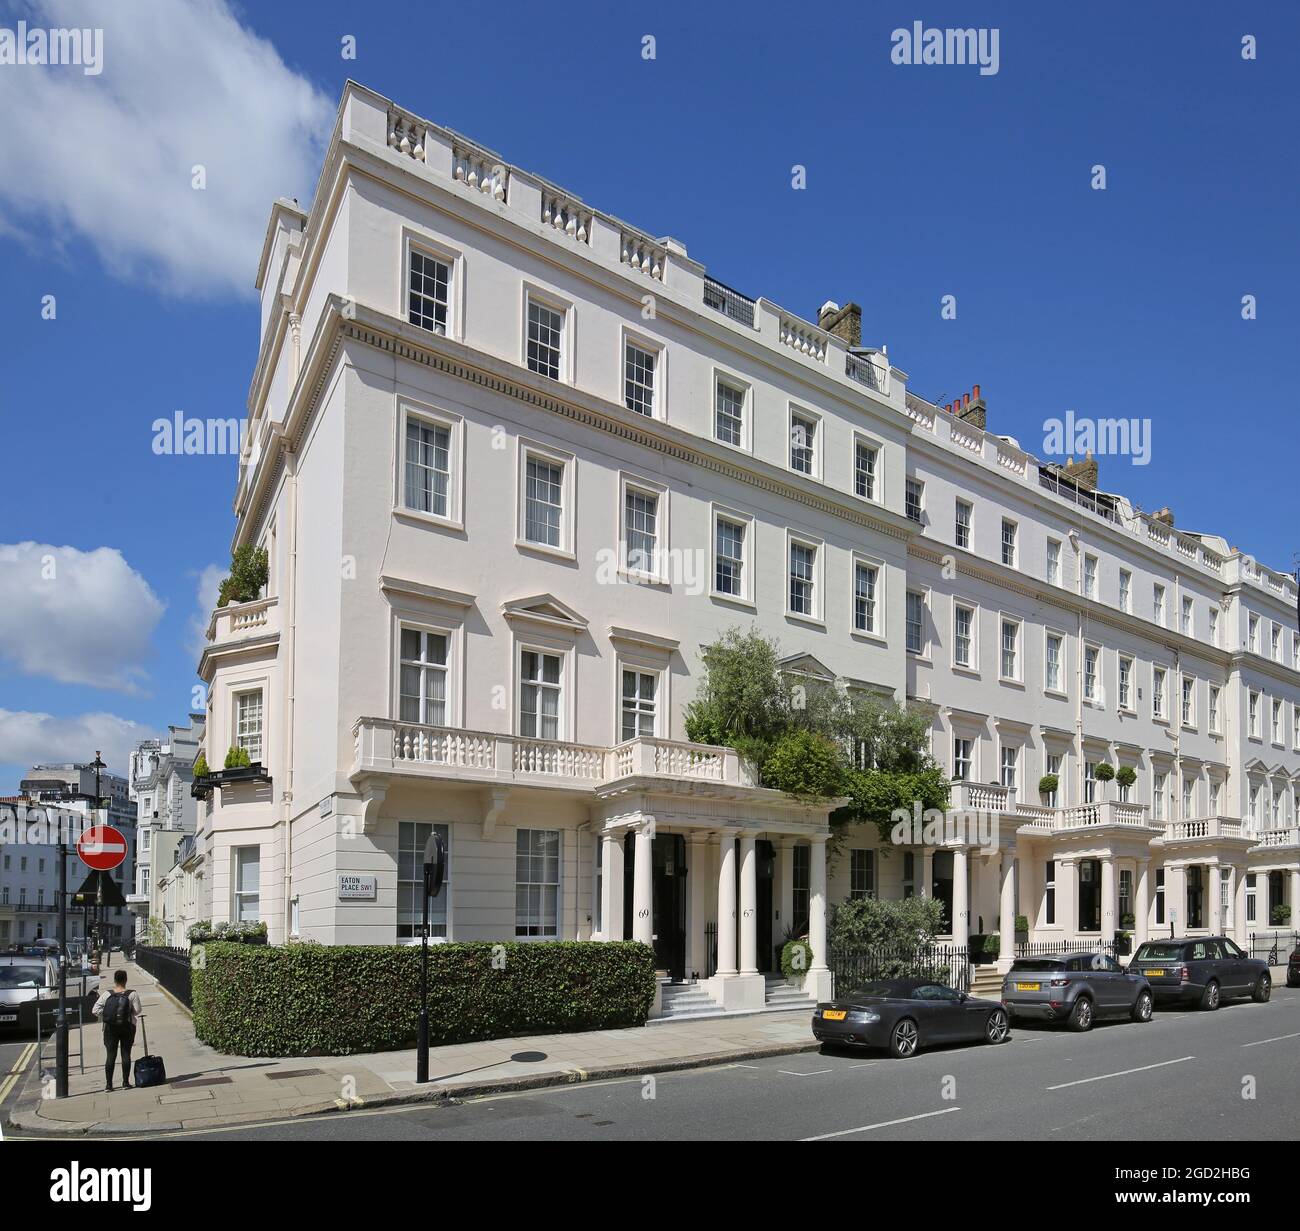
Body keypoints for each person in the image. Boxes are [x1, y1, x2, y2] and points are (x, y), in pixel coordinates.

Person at [92, 969, 142, 1091]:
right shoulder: (132, 994)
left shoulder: (107, 994)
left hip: (110, 1028)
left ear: (115, 980)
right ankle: (125, 1082)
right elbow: (137, 1011)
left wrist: (107, 1016)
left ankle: (109, 1085)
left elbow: (94, 1010)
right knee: (126, 1054)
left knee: (110, 1055)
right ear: (126, 980)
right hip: (127, 1027)